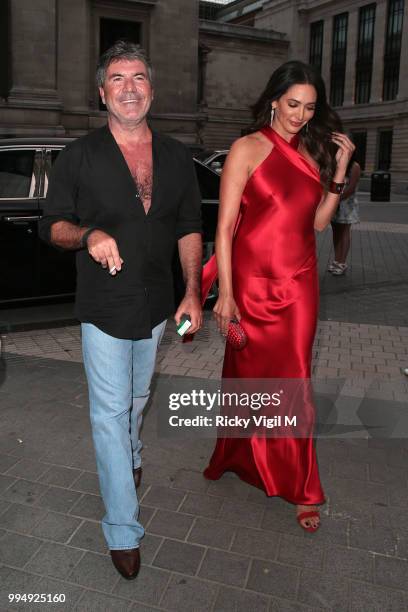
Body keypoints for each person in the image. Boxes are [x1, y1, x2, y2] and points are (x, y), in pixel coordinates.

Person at [39, 41, 202, 579]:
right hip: (103, 306)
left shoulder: (179, 156)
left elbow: (188, 228)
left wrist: (192, 292)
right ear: (101, 91)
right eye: (117, 79)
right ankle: (123, 529)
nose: (129, 88)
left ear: (151, 88)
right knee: (109, 414)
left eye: (138, 78)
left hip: (157, 304)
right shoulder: (79, 155)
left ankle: (131, 455)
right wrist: (88, 235)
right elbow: (53, 225)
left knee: (136, 398)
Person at [202, 61, 354, 532]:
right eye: (292, 104)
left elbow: (320, 223)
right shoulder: (246, 149)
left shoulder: (313, 151)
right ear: (273, 99)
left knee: (295, 381)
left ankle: (301, 486)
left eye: (310, 107)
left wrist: (341, 169)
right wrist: (225, 295)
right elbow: (224, 228)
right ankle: (242, 456)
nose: (300, 115)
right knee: (248, 378)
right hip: (249, 285)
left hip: (299, 284)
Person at [328, 152, 361, 275]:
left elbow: (351, 188)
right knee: (336, 232)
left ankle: (342, 262)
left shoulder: (354, 166)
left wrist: (336, 199)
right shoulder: (337, 165)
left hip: (347, 204)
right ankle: (336, 260)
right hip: (335, 203)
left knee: (344, 232)